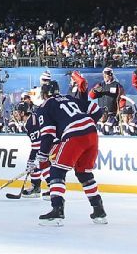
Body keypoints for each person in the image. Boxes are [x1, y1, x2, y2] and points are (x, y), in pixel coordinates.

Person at [31, 80, 106, 226]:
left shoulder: (44, 107)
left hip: (74, 134)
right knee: (84, 173)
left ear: (44, 94)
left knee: (57, 171)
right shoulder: (70, 98)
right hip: (91, 132)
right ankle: (98, 210)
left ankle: (57, 210)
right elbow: (97, 110)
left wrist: (42, 154)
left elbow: (47, 135)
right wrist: (85, 125)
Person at [13, 101, 48, 198]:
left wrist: (33, 157)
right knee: (33, 164)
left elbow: (37, 143)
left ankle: (52, 188)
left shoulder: (30, 123)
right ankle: (36, 187)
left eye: (18, 112)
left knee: (42, 165)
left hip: (48, 145)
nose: (16, 114)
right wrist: (32, 158)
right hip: (46, 144)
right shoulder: (31, 119)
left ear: (23, 113)